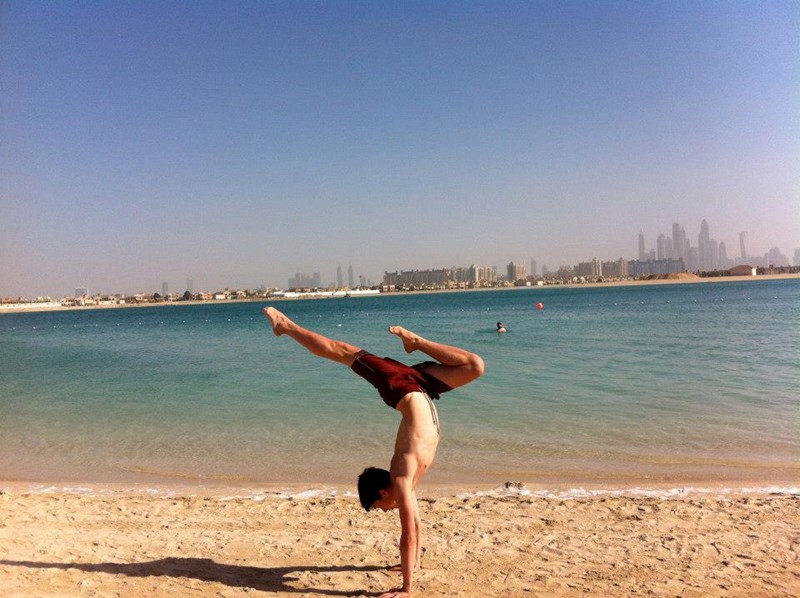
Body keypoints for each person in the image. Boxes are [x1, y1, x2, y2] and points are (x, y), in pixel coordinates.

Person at [262, 306, 484, 598]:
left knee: (342, 351)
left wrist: (406, 589)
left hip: (403, 387)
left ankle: (286, 326)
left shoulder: (402, 476)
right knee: (474, 366)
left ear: (382, 492)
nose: (387, 510)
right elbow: (416, 525)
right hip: (421, 387)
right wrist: (413, 565)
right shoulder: (408, 479)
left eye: (381, 507)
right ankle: (415, 343)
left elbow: (408, 534)